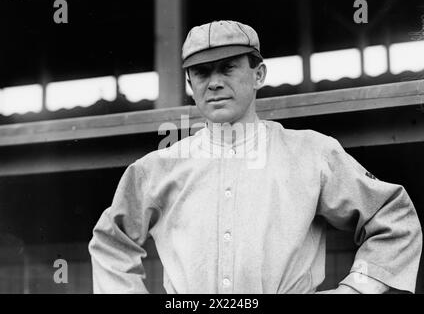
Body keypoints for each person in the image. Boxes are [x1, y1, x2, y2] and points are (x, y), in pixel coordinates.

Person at [88, 20, 422, 294]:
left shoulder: (312, 152)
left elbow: (392, 219)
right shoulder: (156, 167)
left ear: (258, 74)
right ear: (189, 82)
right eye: (202, 72)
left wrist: (355, 290)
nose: (215, 83)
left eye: (228, 68)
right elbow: (111, 242)